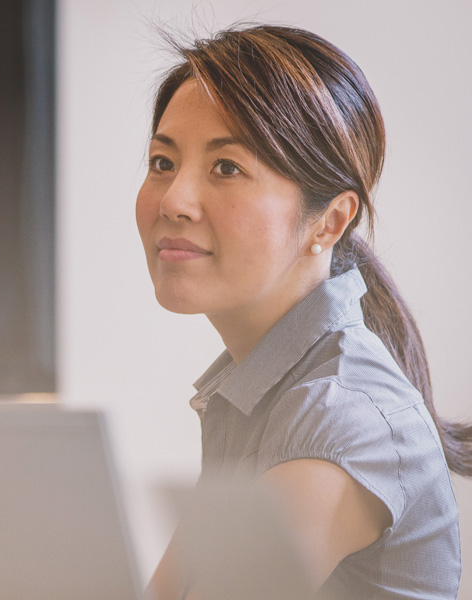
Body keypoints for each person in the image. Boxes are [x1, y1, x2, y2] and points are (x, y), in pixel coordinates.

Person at [135, 24, 471, 599]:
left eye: (226, 168)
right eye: (162, 162)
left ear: (331, 221)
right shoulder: (255, 392)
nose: (173, 200)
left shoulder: (341, 416)